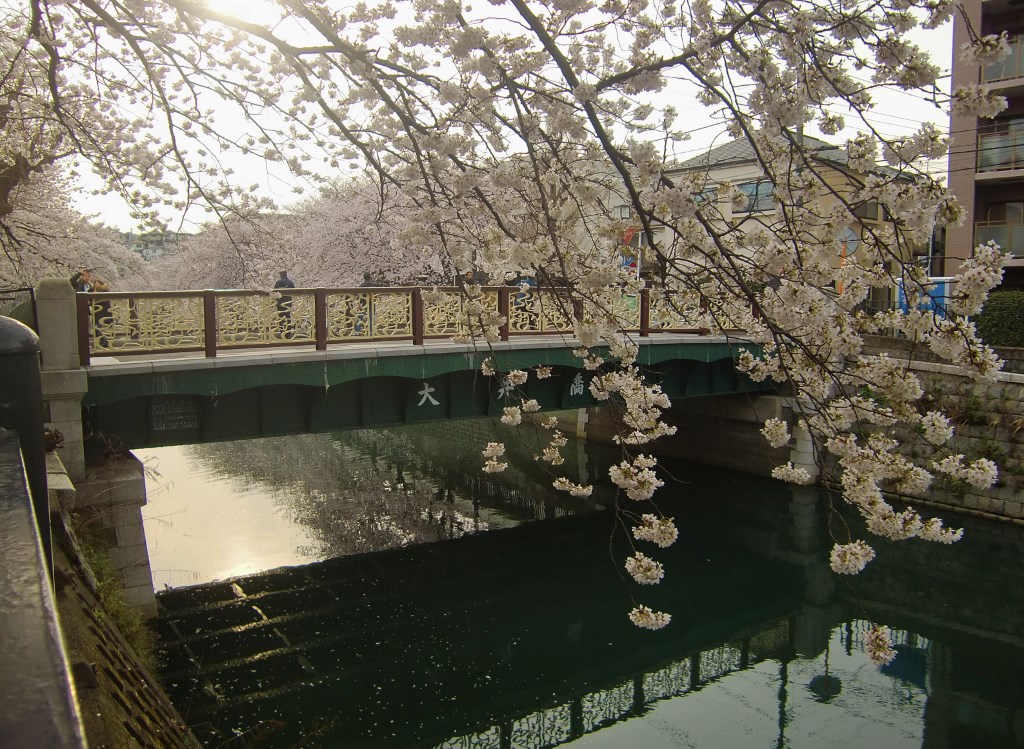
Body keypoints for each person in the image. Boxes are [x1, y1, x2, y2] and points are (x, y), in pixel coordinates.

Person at [91, 279, 114, 347]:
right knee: (98, 327)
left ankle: (103, 342)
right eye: (95, 283)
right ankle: (101, 342)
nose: (96, 284)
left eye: (98, 283)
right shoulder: (94, 291)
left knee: (99, 327)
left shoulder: (101, 292)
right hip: (100, 313)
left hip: (102, 313)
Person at [273, 270, 296, 337]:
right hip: (288, 303)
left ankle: (282, 332)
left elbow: (274, 292)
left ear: (281, 275)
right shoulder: (291, 282)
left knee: (281, 318)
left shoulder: (278, 282)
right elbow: (294, 292)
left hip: (280, 303)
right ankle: (288, 332)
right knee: (288, 317)